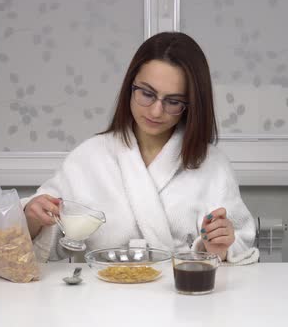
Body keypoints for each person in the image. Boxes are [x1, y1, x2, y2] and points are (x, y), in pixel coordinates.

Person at [23, 32, 258, 264]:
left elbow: (241, 242)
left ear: (191, 105)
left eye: (173, 101)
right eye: (146, 93)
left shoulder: (212, 165)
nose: (156, 111)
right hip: (101, 297)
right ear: (130, 87)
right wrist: (33, 219)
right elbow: (42, 243)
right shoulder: (88, 157)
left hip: (183, 295)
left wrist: (220, 246)